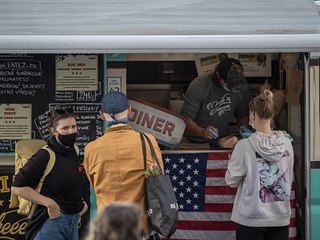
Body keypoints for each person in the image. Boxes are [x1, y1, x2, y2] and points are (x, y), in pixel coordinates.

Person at [83, 91, 164, 240]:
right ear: (130, 111)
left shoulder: (90, 149)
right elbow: (158, 176)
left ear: (101, 115)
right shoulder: (147, 141)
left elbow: (93, 184)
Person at [225, 90, 294, 240]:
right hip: (280, 216)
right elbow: (289, 177)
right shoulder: (287, 144)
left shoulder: (243, 145)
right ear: (272, 115)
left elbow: (231, 181)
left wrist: (233, 163)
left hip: (251, 218)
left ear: (253, 115)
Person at [11, 108, 88, 240]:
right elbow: (17, 187)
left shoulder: (75, 150)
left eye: (74, 126)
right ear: (54, 131)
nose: (71, 131)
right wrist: (50, 204)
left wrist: (82, 205)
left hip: (73, 222)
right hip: (50, 222)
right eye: (65, 128)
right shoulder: (45, 155)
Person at [180, 57, 251, 149]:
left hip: (221, 141)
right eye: (229, 84)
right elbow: (185, 120)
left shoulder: (240, 87)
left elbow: (243, 115)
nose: (233, 88)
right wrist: (202, 132)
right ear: (218, 75)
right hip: (193, 143)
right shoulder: (199, 86)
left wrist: (243, 127)